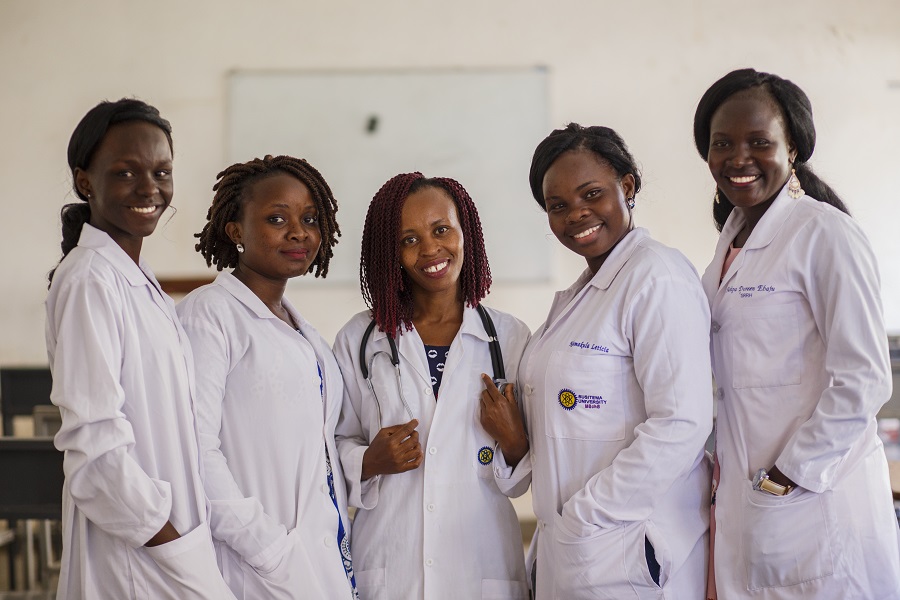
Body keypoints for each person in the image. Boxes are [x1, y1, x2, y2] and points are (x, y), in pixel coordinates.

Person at [694, 68, 900, 600]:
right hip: (751, 501)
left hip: (813, 501)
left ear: (792, 150)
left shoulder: (824, 233)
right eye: (722, 143)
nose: (738, 158)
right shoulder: (728, 246)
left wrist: (789, 474)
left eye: (759, 142)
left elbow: (864, 379)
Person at [499, 123, 713, 599]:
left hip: (624, 550)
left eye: (591, 194)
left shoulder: (657, 278)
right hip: (578, 551)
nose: (577, 213)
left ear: (627, 186)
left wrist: (587, 518)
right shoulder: (580, 298)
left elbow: (682, 422)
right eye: (558, 206)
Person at [45, 99, 235, 599]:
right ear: (85, 182)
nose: (150, 188)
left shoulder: (132, 277)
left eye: (161, 172)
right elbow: (95, 452)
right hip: (142, 552)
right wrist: (174, 550)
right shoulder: (90, 280)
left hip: (168, 539)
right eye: (126, 172)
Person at [333, 172, 531, 600]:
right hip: (391, 567)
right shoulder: (358, 339)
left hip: (481, 568)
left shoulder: (510, 339)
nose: (429, 249)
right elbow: (333, 444)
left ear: (465, 232)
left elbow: (521, 480)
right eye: (409, 239)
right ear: (391, 252)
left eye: (441, 230)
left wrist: (515, 443)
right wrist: (368, 461)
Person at [176, 155, 358, 599]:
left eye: (309, 219)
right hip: (254, 565)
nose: (299, 232)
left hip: (320, 555)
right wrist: (267, 548)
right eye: (277, 219)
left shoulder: (305, 333)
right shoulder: (210, 314)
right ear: (235, 231)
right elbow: (194, 449)